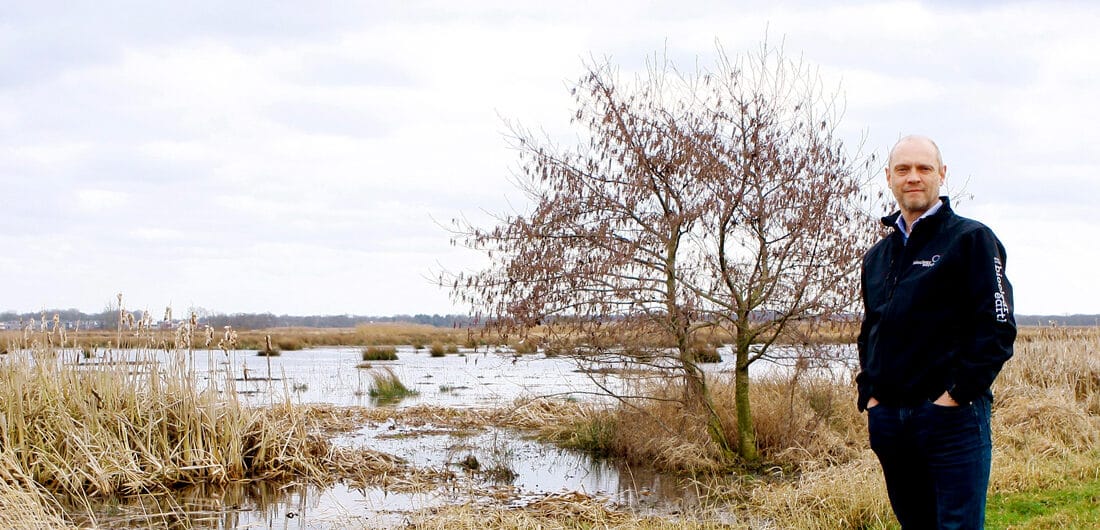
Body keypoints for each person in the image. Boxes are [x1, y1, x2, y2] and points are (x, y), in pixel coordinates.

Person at [856, 135, 1016, 529]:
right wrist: (871, 397)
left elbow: (997, 329)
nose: (914, 177)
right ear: (889, 178)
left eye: (924, 168)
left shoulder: (971, 240)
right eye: (903, 169)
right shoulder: (878, 257)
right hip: (892, 421)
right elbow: (870, 331)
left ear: (941, 175)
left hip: (953, 420)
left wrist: (953, 398)